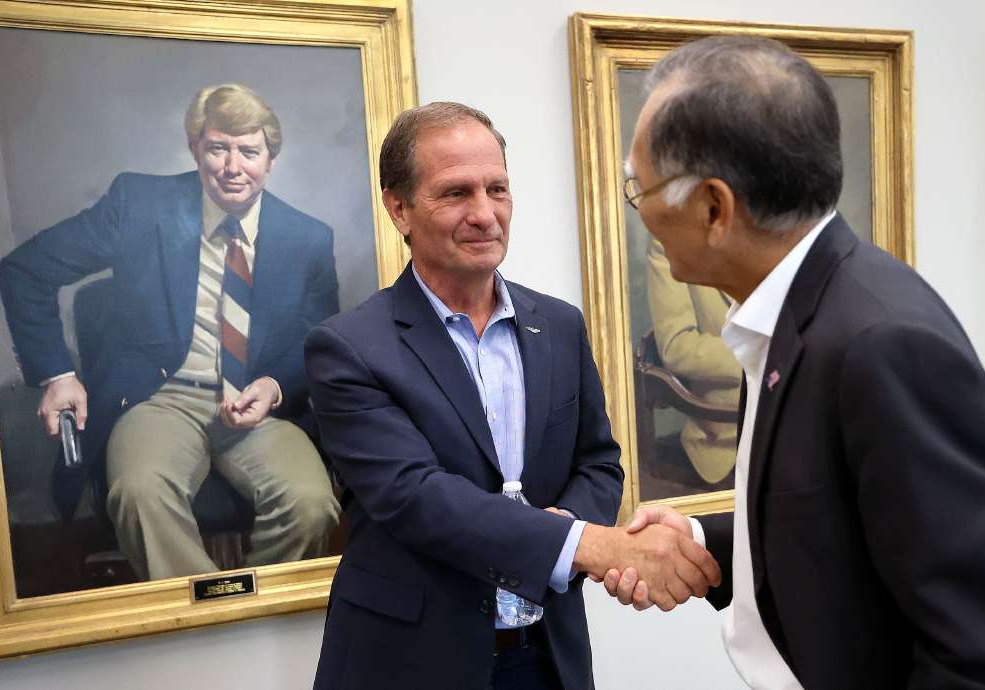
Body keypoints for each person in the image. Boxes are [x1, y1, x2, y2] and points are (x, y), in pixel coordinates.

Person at [602, 36, 985, 689]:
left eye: (639, 187)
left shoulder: (883, 347)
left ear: (713, 208)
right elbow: (838, 520)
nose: (640, 208)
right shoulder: (792, 315)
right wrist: (704, 543)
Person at [304, 102, 719, 690]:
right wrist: (584, 544)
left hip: (546, 655)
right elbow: (416, 497)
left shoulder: (559, 325)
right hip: (411, 661)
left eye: (497, 188)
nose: (484, 213)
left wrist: (569, 526)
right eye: (455, 193)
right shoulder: (348, 348)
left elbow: (597, 461)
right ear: (399, 208)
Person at [0, 83, 341, 581]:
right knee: (139, 494)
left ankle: (251, 622)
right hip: (159, 398)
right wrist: (58, 375)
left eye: (249, 151)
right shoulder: (139, 204)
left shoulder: (308, 237)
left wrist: (273, 386)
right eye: (218, 147)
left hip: (256, 405)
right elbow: (26, 269)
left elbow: (320, 339)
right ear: (195, 149)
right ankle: (205, 625)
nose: (233, 166)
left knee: (312, 504)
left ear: (271, 159)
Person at [645, 237, 741, 487]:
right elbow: (677, 346)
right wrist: (766, 356)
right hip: (724, 444)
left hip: (809, 432)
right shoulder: (669, 240)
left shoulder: (785, 218)